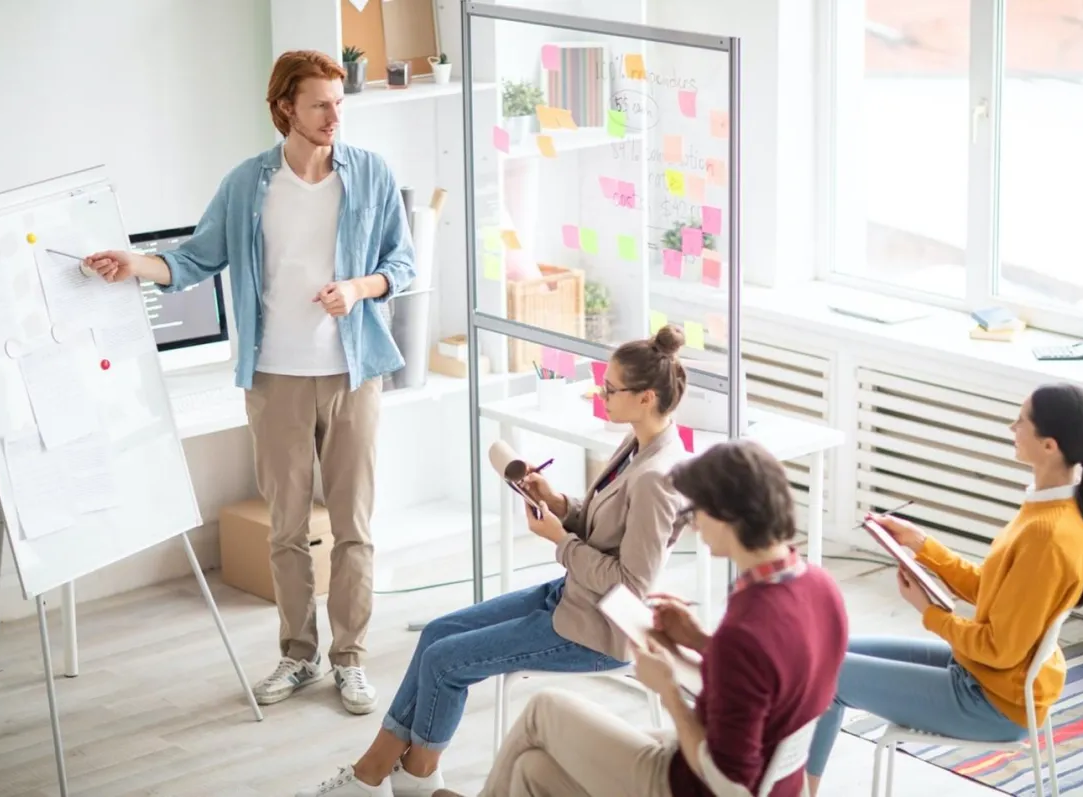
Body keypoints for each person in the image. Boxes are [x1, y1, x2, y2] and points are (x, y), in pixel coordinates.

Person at [83, 50, 415, 715]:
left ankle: (350, 659)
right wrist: (133, 262)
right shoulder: (248, 185)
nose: (333, 117)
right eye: (320, 104)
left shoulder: (371, 175)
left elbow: (401, 264)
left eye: (339, 103)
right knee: (286, 528)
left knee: (353, 525)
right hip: (275, 378)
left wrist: (358, 287)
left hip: (353, 373)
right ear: (285, 106)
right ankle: (298, 653)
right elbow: (193, 258)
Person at [296, 325, 692, 797]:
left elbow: (633, 583)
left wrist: (558, 542)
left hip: (598, 631)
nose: (601, 394)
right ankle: (393, 774)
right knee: (438, 633)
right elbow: (608, 531)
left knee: (445, 662)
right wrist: (560, 503)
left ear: (646, 397)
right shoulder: (636, 446)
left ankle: (394, 776)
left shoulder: (656, 477)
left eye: (610, 389)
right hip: (573, 598)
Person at [432, 439, 848, 797]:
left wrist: (667, 689)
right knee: (531, 773)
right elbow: (770, 678)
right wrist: (701, 641)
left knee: (545, 707)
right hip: (776, 780)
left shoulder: (748, 626)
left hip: (695, 782)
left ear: (727, 516)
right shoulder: (818, 585)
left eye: (696, 512)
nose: (693, 525)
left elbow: (729, 785)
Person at [805, 382, 1083, 795]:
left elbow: (1000, 648)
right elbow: (993, 588)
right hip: (982, 677)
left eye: (1021, 420)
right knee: (830, 650)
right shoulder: (1050, 510)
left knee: (828, 672)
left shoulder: (1049, 535)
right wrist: (920, 545)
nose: (1012, 427)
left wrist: (930, 614)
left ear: (1049, 445)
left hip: (991, 703)